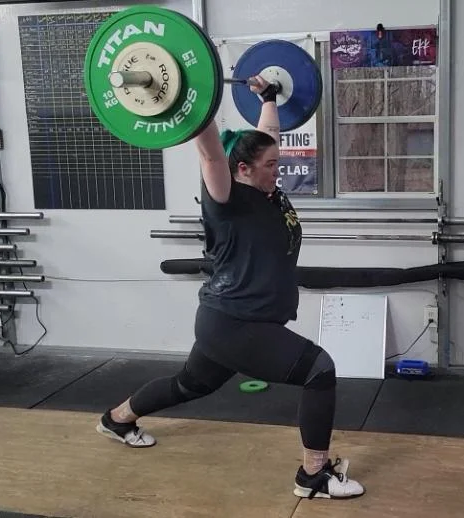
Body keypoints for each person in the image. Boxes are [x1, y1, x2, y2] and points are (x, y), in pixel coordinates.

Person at [96, 76, 365, 500]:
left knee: (191, 385)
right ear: (243, 169)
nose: (279, 170)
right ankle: (313, 475)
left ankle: (117, 419)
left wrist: (270, 98)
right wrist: (193, 98)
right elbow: (209, 154)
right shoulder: (227, 198)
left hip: (227, 320)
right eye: (272, 165)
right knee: (320, 370)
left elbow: (267, 137)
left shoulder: (267, 192)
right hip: (238, 324)